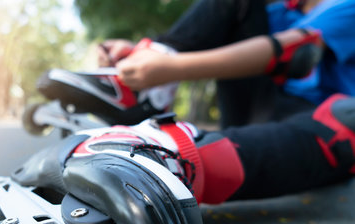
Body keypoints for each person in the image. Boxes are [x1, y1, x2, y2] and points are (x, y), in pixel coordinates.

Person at [98, 0, 355, 129]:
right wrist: (138, 53)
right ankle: (142, 79)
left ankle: (145, 88)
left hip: (310, 120)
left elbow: (296, 51)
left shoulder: (345, 7)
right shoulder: (282, 13)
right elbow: (219, 41)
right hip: (257, 111)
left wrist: (169, 68)